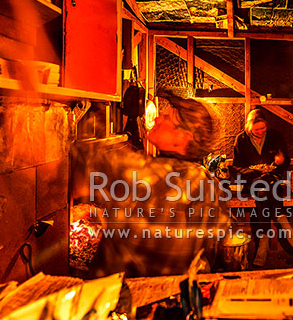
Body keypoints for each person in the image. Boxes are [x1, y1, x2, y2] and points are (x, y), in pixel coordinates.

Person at [74, 89, 230, 277]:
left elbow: (90, 160)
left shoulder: (159, 173)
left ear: (182, 138)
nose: (157, 119)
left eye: (166, 118)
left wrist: (87, 106)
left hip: (121, 294)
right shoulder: (205, 181)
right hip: (173, 293)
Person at [230, 109, 293, 267]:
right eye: (257, 129)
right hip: (252, 179)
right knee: (263, 189)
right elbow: (237, 166)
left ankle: (263, 243)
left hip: (271, 178)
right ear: (248, 127)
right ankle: (283, 223)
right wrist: (254, 170)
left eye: (263, 128)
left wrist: (281, 161)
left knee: (265, 190)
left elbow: (284, 160)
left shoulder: (275, 136)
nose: (260, 132)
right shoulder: (241, 139)